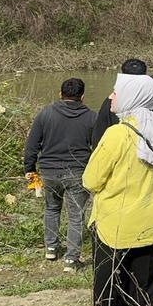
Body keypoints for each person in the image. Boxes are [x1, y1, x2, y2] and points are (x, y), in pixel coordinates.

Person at [83, 73, 153, 306]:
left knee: (108, 286)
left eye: (115, 92)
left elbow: (90, 179)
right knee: (145, 286)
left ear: (131, 97)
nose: (111, 96)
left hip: (117, 224)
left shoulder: (118, 133)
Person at [24, 77, 96, 272]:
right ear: (82, 97)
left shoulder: (45, 114)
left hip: (49, 171)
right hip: (77, 172)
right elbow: (98, 148)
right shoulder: (92, 117)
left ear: (59, 94)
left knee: (52, 209)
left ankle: (51, 248)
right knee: (76, 215)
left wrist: (29, 169)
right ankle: (71, 259)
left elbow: (32, 145)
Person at [91, 59, 153, 167]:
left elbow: (98, 135)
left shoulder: (112, 100)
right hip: (152, 163)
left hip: (121, 162)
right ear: (144, 75)